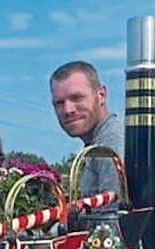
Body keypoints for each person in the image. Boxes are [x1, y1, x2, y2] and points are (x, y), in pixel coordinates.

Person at [50, 60, 123, 196]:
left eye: (77, 98)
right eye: (59, 103)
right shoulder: (96, 144)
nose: (68, 110)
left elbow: (113, 213)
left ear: (101, 95)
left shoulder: (110, 145)